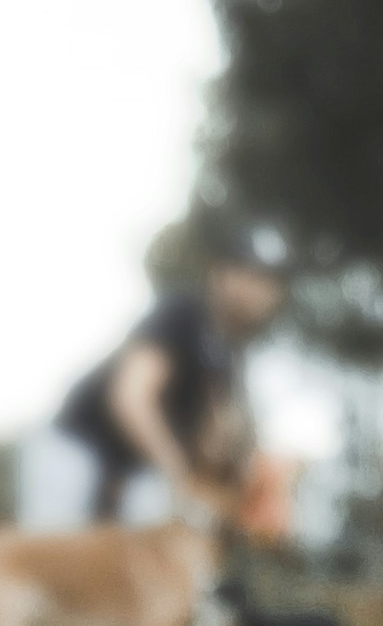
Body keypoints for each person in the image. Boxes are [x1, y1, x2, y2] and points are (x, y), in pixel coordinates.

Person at [56, 224, 287, 526]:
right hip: (78, 450)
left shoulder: (229, 355)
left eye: (268, 281)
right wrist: (179, 474)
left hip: (134, 470)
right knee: (57, 562)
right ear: (217, 272)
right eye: (247, 273)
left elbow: (215, 440)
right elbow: (131, 398)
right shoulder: (181, 315)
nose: (257, 289)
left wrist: (255, 471)